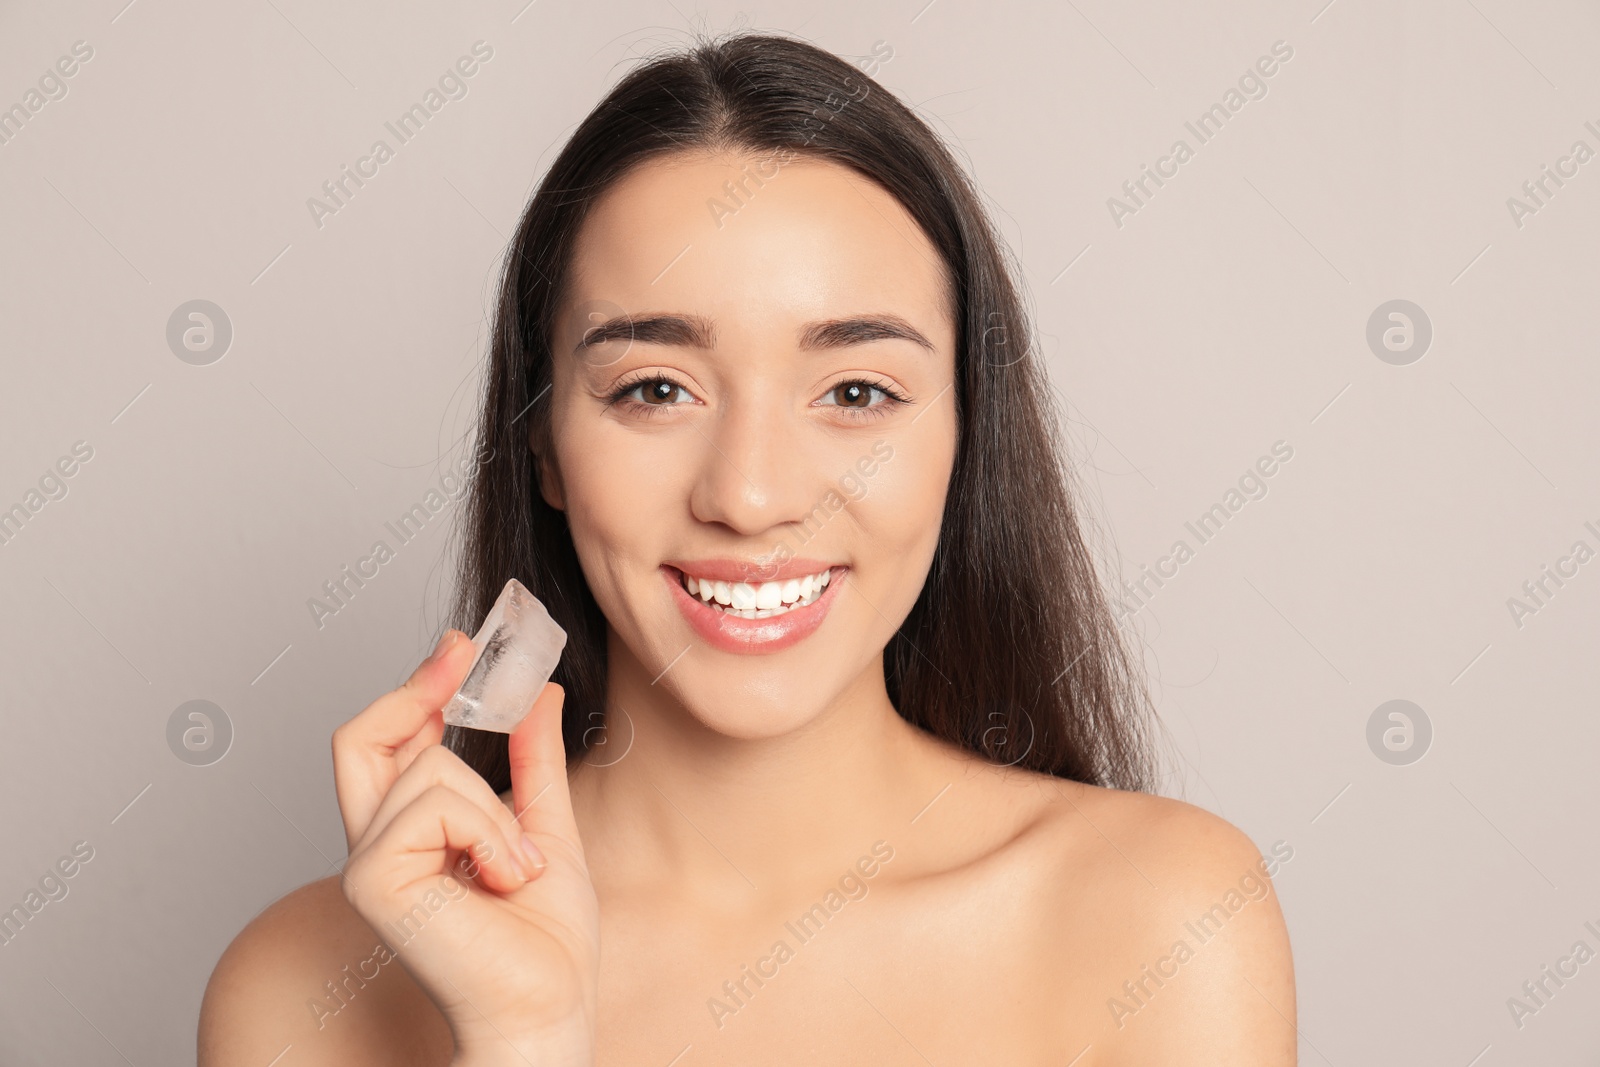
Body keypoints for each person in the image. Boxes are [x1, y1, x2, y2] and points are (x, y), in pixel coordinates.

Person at [199, 30, 1295, 1066]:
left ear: (966, 436)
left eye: (857, 391)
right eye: (655, 388)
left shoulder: (1164, 918)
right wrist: (524, 1035)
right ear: (542, 446)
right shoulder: (304, 987)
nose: (751, 493)